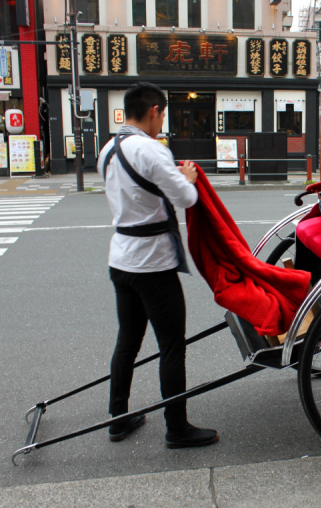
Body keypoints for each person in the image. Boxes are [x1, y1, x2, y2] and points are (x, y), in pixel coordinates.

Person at [97, 82, 218, 448]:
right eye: (162, 115)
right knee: (171, 346)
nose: (161, 122)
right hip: (152, 263)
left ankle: (118, 418)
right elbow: (186, 198)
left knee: (128, 342)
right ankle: (177, 427)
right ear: (154, 111)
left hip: (120, 258)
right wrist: (189, 179)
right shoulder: (151, 150)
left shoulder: (107, 150)